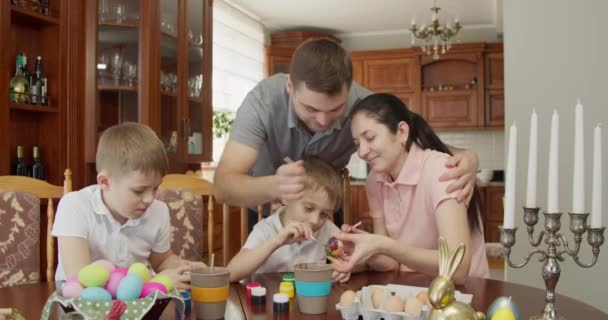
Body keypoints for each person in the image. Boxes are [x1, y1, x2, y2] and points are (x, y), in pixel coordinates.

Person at [213, 38, 479, 230]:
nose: (324, 120)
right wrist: (275, 186)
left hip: (325, 211)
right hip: (264, 209)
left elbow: (415, 142)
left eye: (336, 109)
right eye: (311, 109)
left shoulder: (365, 104)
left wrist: (467, 156)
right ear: (290, 86)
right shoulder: (262, 102)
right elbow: (223, 186)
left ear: (350, 90)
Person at [330, 93, 489, 283]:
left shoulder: (441, 170)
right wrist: (364, 248)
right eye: (357, 144)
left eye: (370, 138)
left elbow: (459, 267)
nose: (362, 152)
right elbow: (390, 263)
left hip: (467, 294)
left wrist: (383, 245)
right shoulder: (374, 181)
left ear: (402, 132)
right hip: (414, 291)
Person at [52, 122, 206, 289]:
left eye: (155, 188)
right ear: (105, 182)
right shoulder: (75, 206)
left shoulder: (158, 210)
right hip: (83, 308)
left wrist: (184, 268)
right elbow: (80, 279)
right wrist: (157, 283)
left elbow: (161, 261)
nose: (149, 199)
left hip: (137, 306)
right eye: (139, 191)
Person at [226, 157, 351, 283]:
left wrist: (346, 267)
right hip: (268, 298)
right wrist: (277, 242)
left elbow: (353, 259)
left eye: (324, 214)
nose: (315, 220)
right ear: (286, 197)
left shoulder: (327, 229)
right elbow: (231, 274)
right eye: (308, 208)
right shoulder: (266, 230)